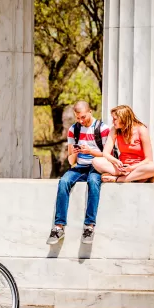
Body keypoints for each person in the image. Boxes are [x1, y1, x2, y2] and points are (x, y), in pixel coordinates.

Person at [46, 101, 110, 245]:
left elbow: (108, 155)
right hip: (80, 167)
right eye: (77, 118)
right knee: (63, 181)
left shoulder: (103, 129)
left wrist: (90, 152)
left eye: (83, 117)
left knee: (93, 182)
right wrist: (74, 153)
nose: (81, 121)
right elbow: (71, 161)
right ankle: (59, 227)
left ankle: (89, 226)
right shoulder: (73, 130)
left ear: (90, 112)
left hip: (97, 166)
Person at [92, 105, 154, 183]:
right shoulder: (114, 129)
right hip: (122, 169)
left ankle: (119, 179)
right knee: (96, 161)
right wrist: (116, 161)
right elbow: (106, 153)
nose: (112, 122)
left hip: (138, 168)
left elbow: (149, 159)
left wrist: (131, 168)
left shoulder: (141, 130)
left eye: (115, 119)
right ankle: (128, 176)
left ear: (123, 119)